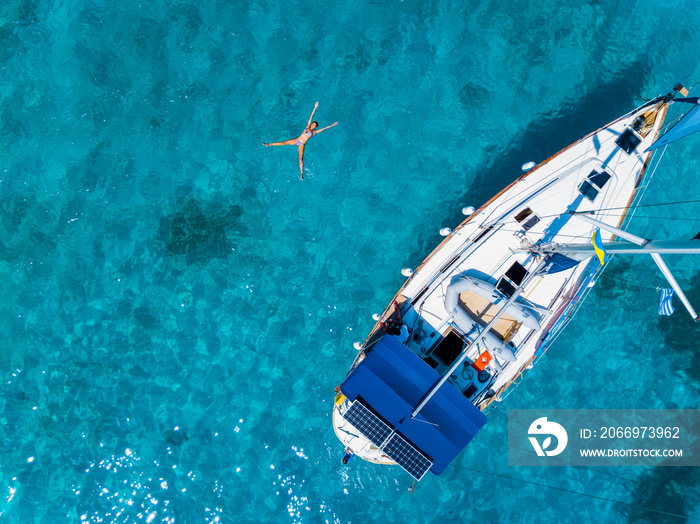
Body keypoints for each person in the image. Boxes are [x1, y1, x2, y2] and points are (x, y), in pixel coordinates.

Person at [263, 102, 338, 180]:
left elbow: (324, 129)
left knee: (300, 158)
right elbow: (311, 117)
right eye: (312, 124)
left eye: (314, 126)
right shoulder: (307, 126)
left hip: (301, 144)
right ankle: (269, 144)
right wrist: (315, 107)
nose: (312, 125)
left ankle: (301, 174)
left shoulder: (314, 132)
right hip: (297, 140)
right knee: (283, 143)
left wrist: (332, 125)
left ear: (315, 127)